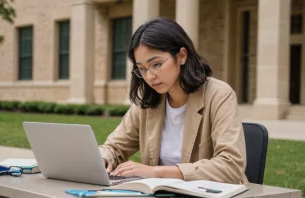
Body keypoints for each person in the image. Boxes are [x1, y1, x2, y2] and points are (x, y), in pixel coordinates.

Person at [99, 17, 248, 184]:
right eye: (142, 69)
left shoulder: (219, 95)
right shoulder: (147, 100)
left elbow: (231, 165)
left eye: (156, 64)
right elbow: (114, 147)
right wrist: (103, 158)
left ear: (182, 56)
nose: (149, 76)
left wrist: (156, 172)